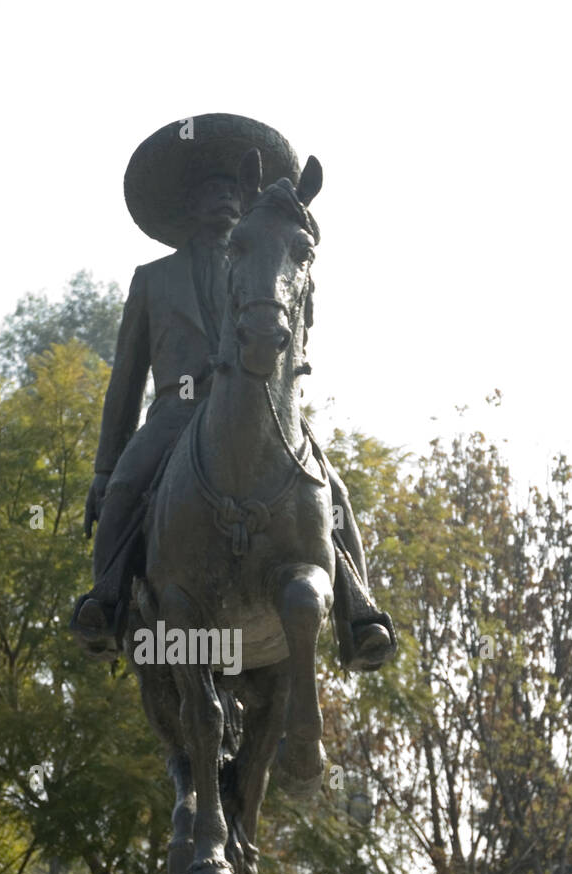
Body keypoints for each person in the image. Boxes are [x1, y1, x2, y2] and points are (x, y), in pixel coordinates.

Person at [71, 113, 395, 672]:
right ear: (189, 207)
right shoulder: (152, 279)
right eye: (210, 191)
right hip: (175, 411)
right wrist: (103, 469)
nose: (223, 199)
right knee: (126, 488)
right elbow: (125, 381)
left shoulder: (264, 261)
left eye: (231, 190)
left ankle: (359, 610)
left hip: (261, 409)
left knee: (333, 491)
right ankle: (108, 601)